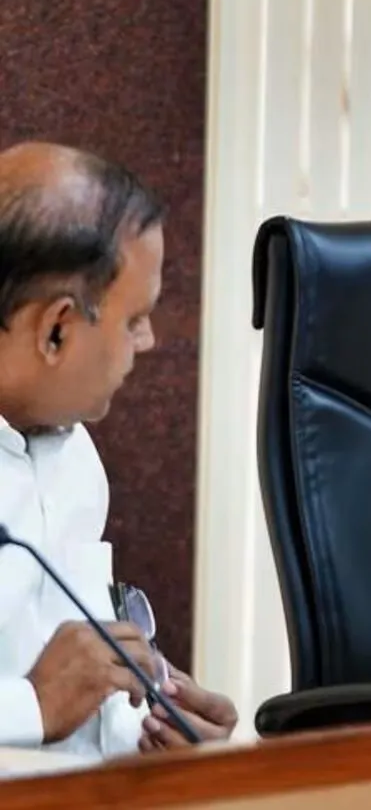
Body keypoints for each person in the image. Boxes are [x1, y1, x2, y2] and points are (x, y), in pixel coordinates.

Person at [0, 143, 237, 756]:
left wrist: (154, 729)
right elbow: (45, 700)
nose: (150, 340)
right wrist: (31, 706)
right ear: (56, 329)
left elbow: (73, 684)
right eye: (135, 319)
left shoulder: (75, 456)